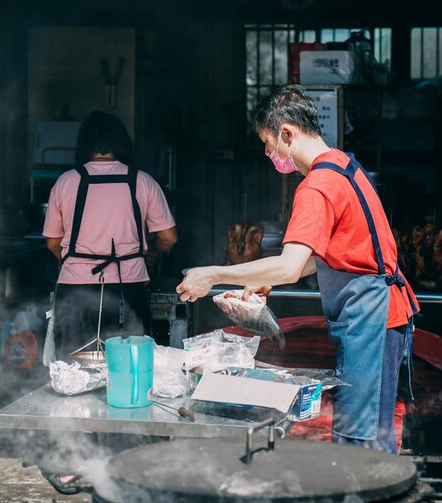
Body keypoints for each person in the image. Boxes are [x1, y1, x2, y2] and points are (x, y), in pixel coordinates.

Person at [177, 84, 419, 453]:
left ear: (287, 132)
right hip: (381, 313)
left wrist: (212, 274)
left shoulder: (317, 186)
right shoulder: (344, 164)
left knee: (359, 438)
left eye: (267, 142)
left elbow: (290, 266)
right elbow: (324, 254)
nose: (267, 153)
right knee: (372, 430)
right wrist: (261, 279)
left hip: (372, 317)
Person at [43, 110, 178, 362]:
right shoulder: (143, 182)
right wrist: (151, 251)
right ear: (122, 144)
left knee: (73, 369)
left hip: (76, 290)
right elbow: (169, 237)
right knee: (129, 365)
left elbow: (52, 242)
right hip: (128, 289)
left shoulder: (66, 182)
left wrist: (75, 264)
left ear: (84, 145)